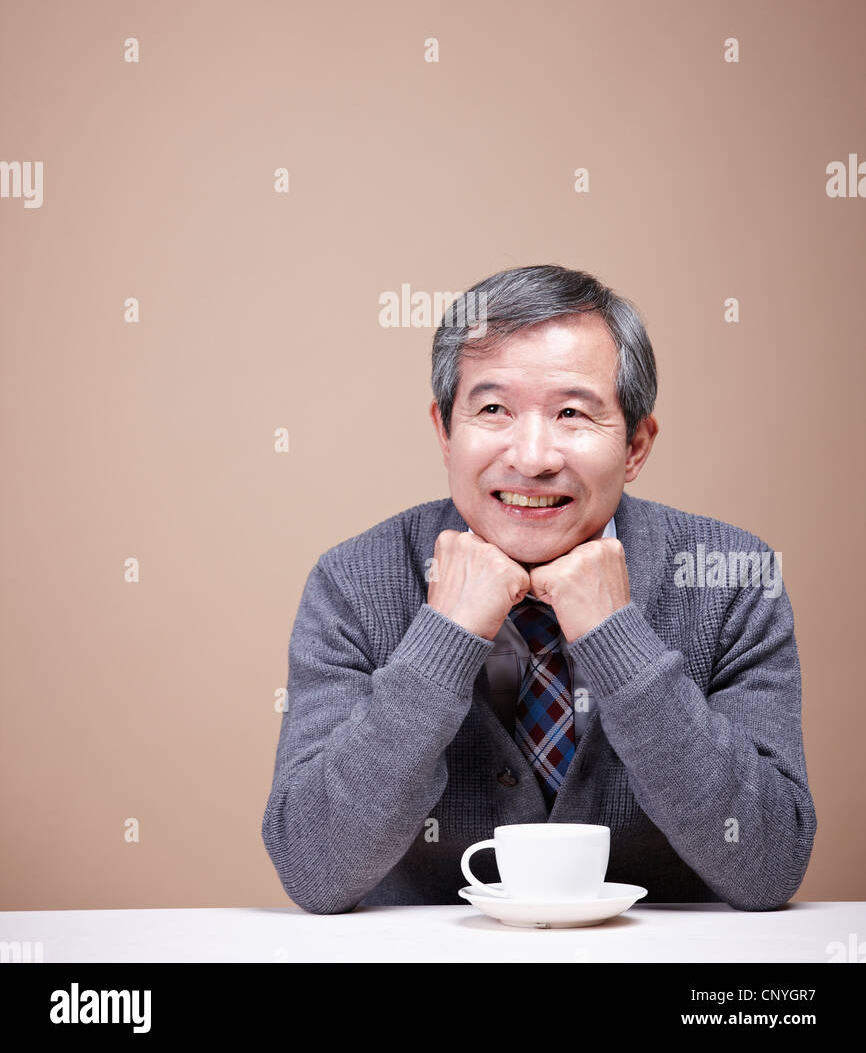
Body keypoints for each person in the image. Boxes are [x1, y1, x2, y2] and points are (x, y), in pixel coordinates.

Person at [261, 264, 817, 913]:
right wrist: (441, 641)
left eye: (572, 413)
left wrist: (621, 643)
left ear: (636, 445)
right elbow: (312, 868)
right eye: (493, 409)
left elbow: (771, 865)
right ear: (445, 431)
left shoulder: (733, 578)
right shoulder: (354, 582)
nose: (532, 457)